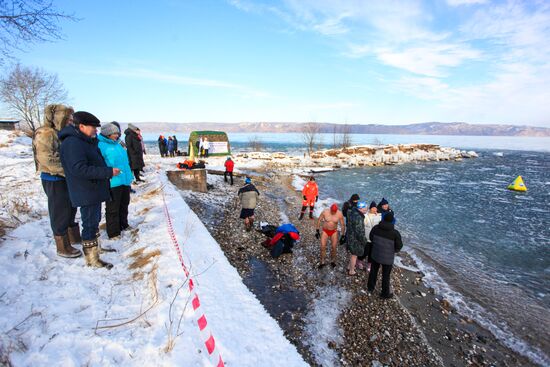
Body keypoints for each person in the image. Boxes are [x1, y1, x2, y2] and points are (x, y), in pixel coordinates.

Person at [59, 111, 120, 269]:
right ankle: (92, 259)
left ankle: (96, 249)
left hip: (94, 189)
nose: (96, 130)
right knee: (89, 223)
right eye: (93, 127)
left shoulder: (85, 141)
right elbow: (79, 169)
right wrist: (107, 172)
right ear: (81, 126)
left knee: (95, 220)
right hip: (86, 190)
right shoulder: (73, 143)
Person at [32, 104, 81, 258]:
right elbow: (46, 159)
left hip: (67, 177)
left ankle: (72, 236)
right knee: (59, 210)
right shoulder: (45, 133)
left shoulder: (64, 133)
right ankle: (62, 245)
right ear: (59, 117)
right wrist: (70, 169)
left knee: (72, 206)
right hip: (53, 178)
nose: (71, 121)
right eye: (68, 118)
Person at [98, 123, 133, 239]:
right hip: (113, 181)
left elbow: (125, 160)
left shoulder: (118, 144)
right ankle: (113, 232)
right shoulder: (101, 145)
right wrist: (109, 172)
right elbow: (99, 164)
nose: (117, 135)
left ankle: (124, 224)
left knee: (124, 204)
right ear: (108, 134)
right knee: (113, 208)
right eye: (115, 133)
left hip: (124, 180)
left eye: (118, 133)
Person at [367, 212, 403, 299]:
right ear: (392, 221)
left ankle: (370, 288)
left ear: (383, 219)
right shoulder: (395, 233)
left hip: (375, 255)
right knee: (386, 275)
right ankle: (384, 293)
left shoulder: (376, 228)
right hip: (387, 258)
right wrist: (394, 250)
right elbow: (399, 246)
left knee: (373, 271)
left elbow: (371, 238)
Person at [316, 203, 345, 268]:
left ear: (336, 210)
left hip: (334, 232)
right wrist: (317, 230)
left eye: (334, 212)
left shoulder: (339, 214)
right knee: (322, 247)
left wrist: (343, 235)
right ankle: (322, 262)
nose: (333, 213)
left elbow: (342, 225)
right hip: (325, 231)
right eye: (332, 211)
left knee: (334, 247)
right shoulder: (325, 212)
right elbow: (319, 220)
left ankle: (333, 261)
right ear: (330, 209)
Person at [357, 201, 381, 271]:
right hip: (366, 238)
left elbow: (380, 226)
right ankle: (359, 261)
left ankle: (369, 264)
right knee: (365, 251)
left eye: (375, 208)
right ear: (370, 208)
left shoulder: (378, 216)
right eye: (373, 208)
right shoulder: (365, 215)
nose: (375, 209)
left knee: (372, 253)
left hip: (374, 239)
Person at [345, 201, 368, 276]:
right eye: (365, 208)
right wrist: (364, 241)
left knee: (352, 254)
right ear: (360, 208)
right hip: (355, 239)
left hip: (350, 236)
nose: (366, 209)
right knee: (354, 255)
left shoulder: (352, 212)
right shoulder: (358, 218)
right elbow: (359, 232)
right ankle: (351, 271)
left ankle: (349, 267)